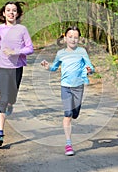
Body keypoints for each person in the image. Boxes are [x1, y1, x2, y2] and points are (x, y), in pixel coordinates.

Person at [0, 1, 34, 147]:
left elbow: (30, 48)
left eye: (14, 10)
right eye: (8, 10)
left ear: (17, 14)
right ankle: (0, 133)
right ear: (4, 13)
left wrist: (15, 52)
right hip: (3, 67)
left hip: (17, 68)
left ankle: (11, 103)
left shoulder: (22, 29)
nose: (11, 13)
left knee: (11, 98)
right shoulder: (1, 28)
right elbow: (0, 42)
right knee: (3, 99)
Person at [41, 26, 95, 156]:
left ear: (79, 39)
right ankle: (68, 144)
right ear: (65, 38)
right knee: (67, 114)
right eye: (70, 37)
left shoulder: (82, 51)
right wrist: (48, 67)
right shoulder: (61, 53)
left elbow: (90, 66)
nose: (73, 39)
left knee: (75, 113)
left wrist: (90, 70)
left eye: (76, 37)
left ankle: (75, 112)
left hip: (79, 86)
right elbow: (54, 67)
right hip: (65, 86)